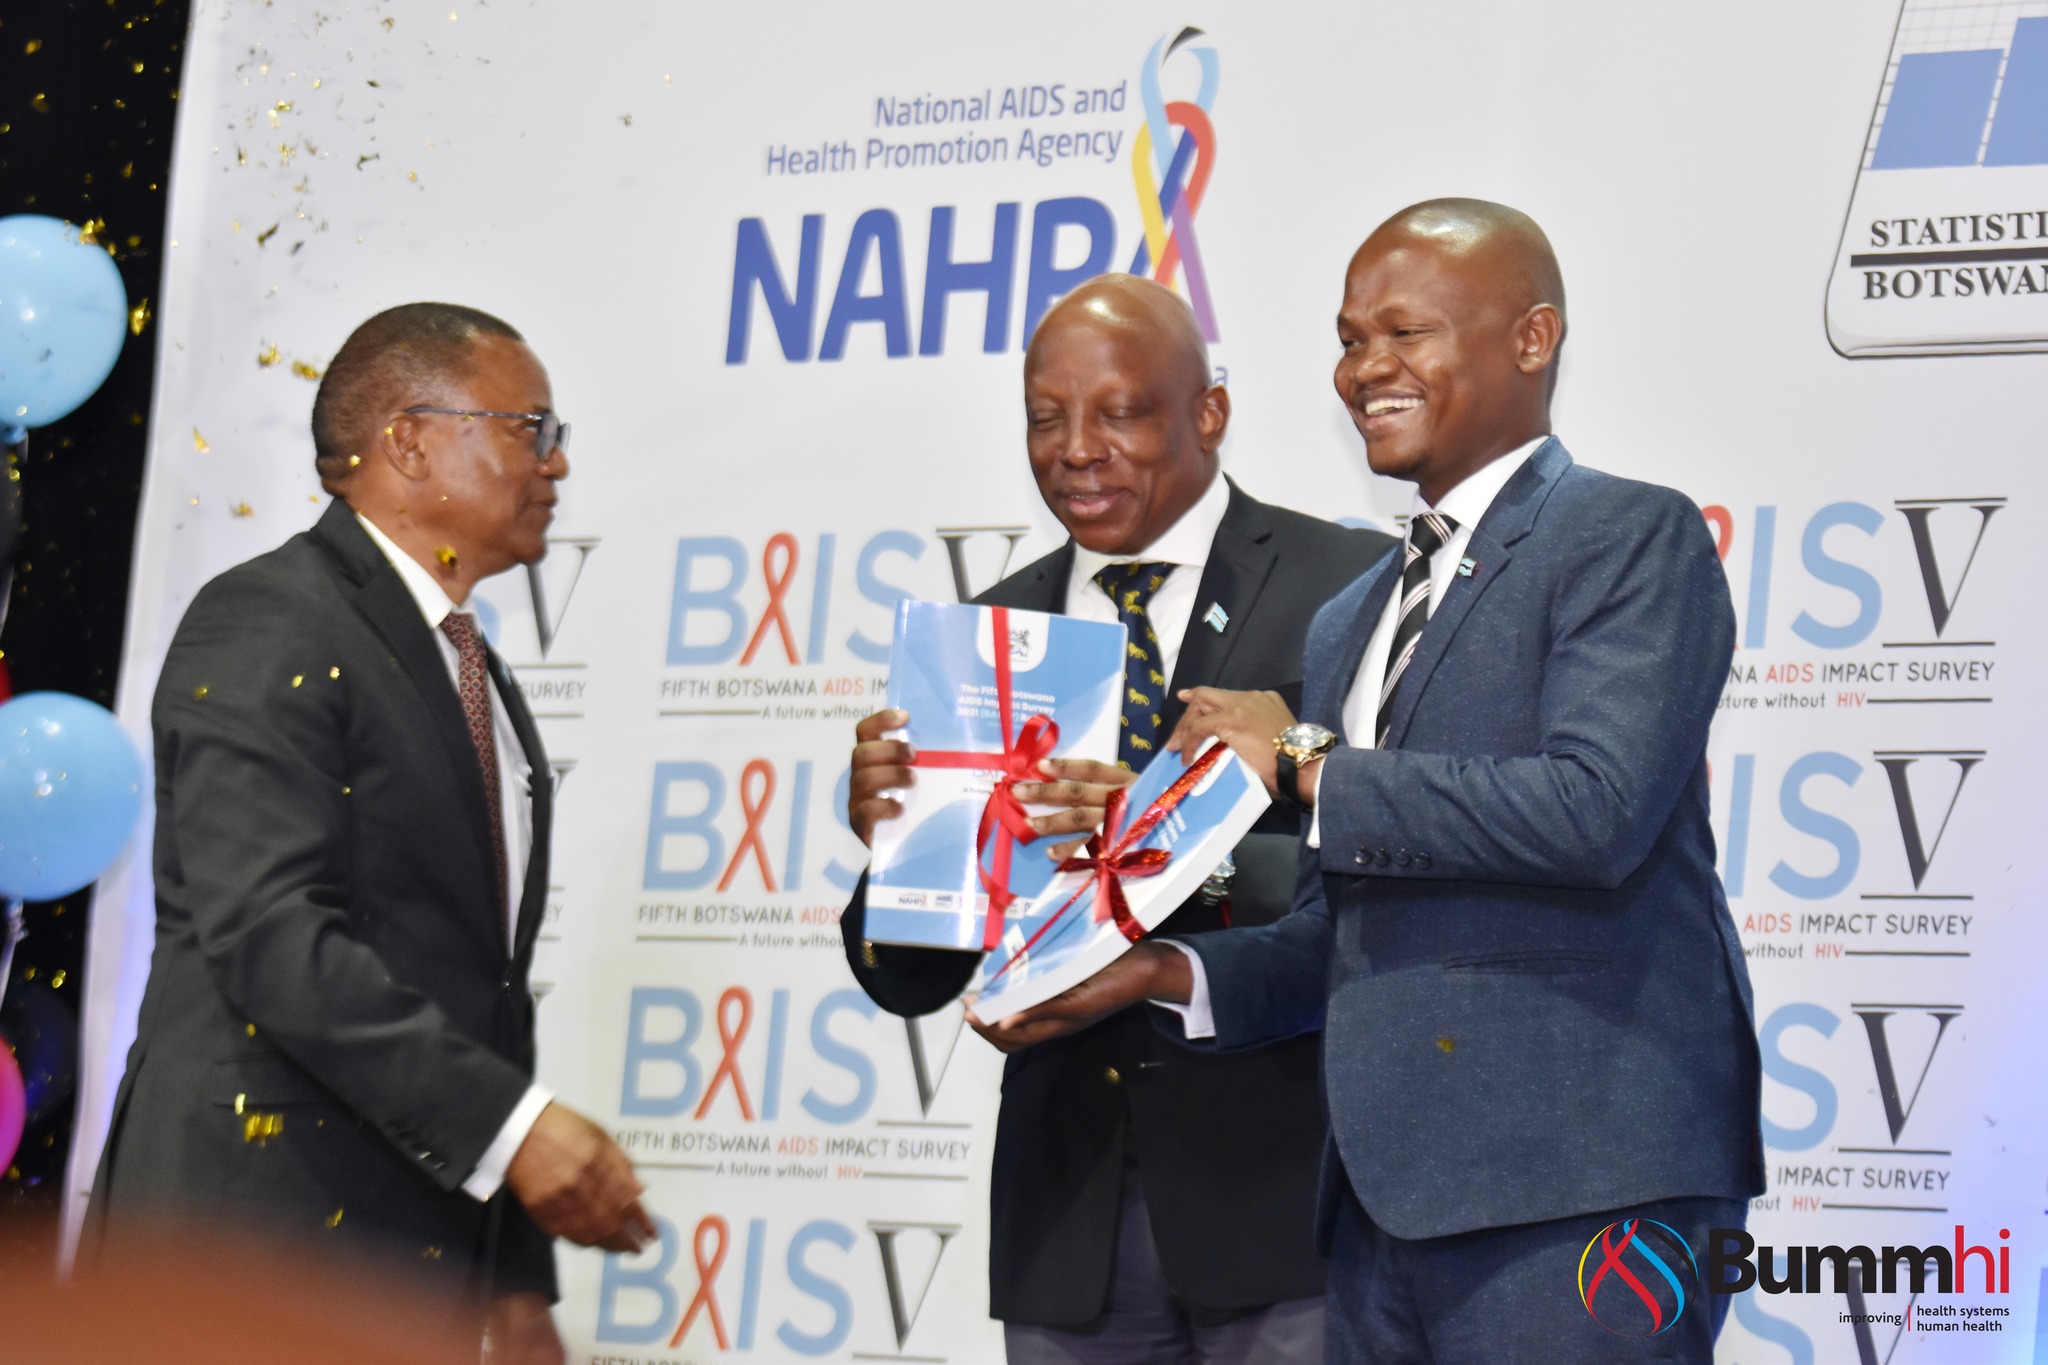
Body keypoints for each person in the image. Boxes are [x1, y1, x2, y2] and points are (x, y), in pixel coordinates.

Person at [976, 203, 1766, 1362]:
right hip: (1373, 1217)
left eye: (1405, 333)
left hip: (1579, 1190)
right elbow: (1335, 929)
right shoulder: (1355, 615)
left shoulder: (1625, 534)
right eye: (1349, 340)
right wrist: (1161, 973)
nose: (1363, 370)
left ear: (1531, 337)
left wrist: (1302, 761)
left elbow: (1593, 812)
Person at [86, 303, 654, 1365]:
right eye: (530, 428)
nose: (557, 462)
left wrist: (512, 1279)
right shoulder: (268, 617)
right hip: (245, 1250)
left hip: (404, 1263)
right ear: (409, 440)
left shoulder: (465, 664)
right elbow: (270, 933)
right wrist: (516, 1128)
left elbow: (479, 991)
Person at [844, 275, 1394, 1364]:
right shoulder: (986, 632)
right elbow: (911, 974)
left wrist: (1154, 840)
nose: (1076, 450)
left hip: (1290, 1198)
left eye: (1120, 413)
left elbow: (1388, 870)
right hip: (1071, 1219)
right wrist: (901, 846)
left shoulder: (1350, 588)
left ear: (1208, 413)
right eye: (1045, 419)